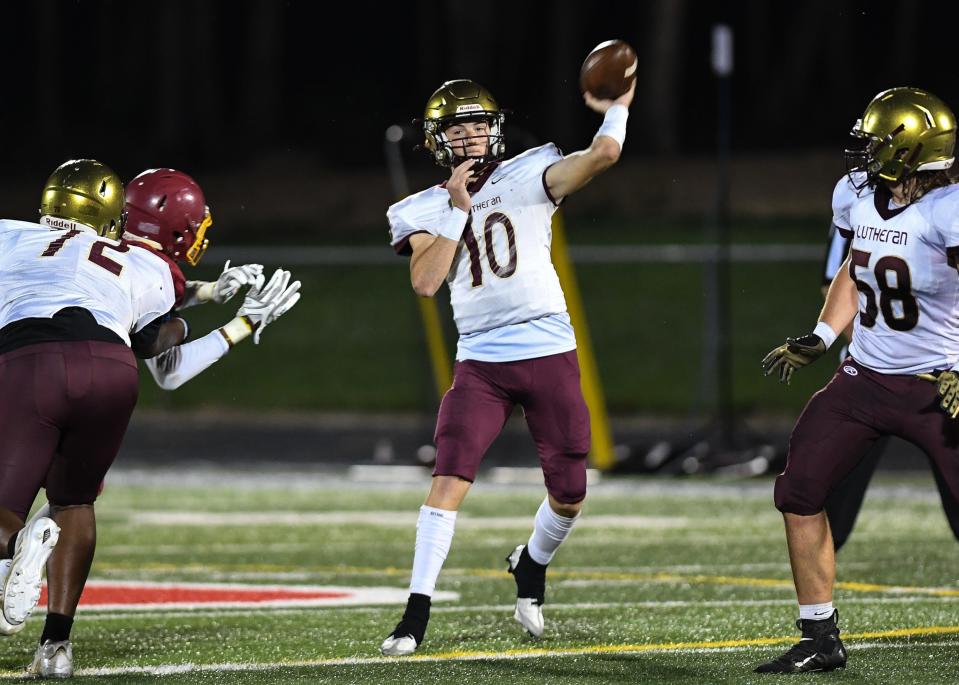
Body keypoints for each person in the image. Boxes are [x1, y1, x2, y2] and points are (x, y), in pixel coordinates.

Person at [0, 161, 298, 679]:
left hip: (32, 360)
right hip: (112, 371)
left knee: (4, 507)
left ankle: (18, 545)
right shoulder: (144, 263)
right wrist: (214, 313)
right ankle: (56, 649)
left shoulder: (9, 234)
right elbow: (151, 345)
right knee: (75, 501)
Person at [380, 76, 634, 656]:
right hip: (482, 359)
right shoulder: (419, 208)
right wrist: (456, 208)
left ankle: (531, 563)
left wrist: (617, 107)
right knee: (448, 478)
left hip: (547, 346)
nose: (470, 134)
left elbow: (605, 154)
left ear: (494, 129)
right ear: (436, 140)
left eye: (478, 123)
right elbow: (425, 282)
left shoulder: (531, 171)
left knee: (570, 494)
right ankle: (414, 617)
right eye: (456, 126)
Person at [758, 87, 959, 674]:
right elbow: (855, 265)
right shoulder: (856, 196)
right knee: (799, 492)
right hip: (865, 377)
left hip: (938, 384)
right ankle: (820, 636)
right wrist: (821, 337)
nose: (864, 153)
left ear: (911, 150)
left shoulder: (948, 210)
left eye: (876, 142)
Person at [820, 222, 959, 551]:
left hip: (943, 377)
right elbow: (835, 286)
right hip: (870, 380)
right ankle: (815, 601)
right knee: (826, 500)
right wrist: (881, 356)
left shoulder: (947, 210)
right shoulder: (860, 203)